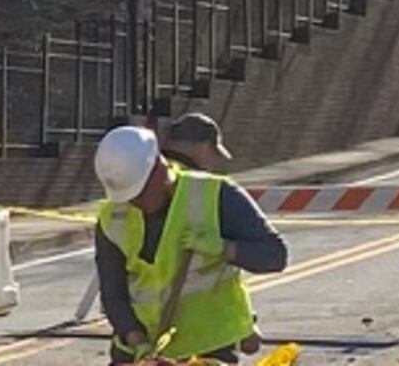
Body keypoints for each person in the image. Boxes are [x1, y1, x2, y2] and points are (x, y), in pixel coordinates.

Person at [92, 123, 288, 363]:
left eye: (140, 193)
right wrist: (137, 342)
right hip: (139, 349)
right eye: (128, 197)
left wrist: (225, 249)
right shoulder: (113, 217)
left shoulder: (217, 195)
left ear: (159, 169)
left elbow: (275, 255)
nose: (135, 203)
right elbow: (114, 294)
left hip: (207, 349)